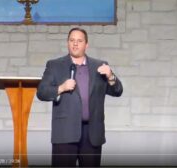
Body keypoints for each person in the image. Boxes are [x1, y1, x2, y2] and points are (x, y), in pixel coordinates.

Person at [37, 27, 123, 167]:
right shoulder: (54, 65)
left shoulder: (99, 66)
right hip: (65, 133)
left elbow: (117, 91)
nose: (75, 44)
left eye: (79, 41)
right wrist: (61, 88)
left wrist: (111, 76)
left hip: (92, 134)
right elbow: (41, 92)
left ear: (86, 45)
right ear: (67, 43)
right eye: (72, 40)